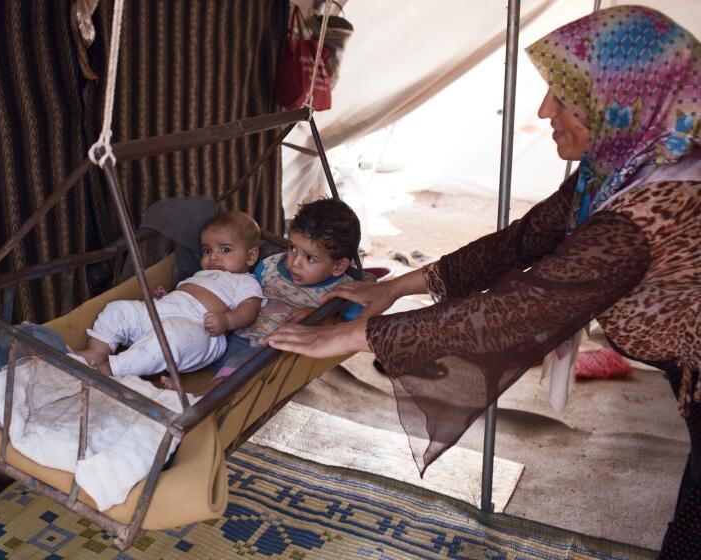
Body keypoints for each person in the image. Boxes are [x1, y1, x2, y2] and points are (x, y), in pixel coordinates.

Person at [266, 6, 700, 558]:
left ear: (621, 100)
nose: (544, 110)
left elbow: (527, 307)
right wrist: (400, 285)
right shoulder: (618, 171)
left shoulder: (655, 203)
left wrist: (360, 336)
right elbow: (521, 242)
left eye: (562, 96)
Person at [169, 197, 363, 396]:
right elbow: (239, 289)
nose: (294, 262)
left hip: (267, 351)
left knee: (242, 366)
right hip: (233, 332)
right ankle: (158, 369)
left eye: (310, 258)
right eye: (292, 248)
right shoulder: (269, 265)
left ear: (338, 266)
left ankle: (200, 398)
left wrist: (320, 317)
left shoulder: (344, 291)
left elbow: (351, 332)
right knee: (191, 337)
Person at [77, 210, 264, 378]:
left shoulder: (245, 281)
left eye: (225, 250)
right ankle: (96, 351)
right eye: (207, 250)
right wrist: (165, 297)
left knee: (171, 337)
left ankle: (114, 368)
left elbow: (250, 309)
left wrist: (227, 321)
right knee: (118, 309)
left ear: (250, 256)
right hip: (161, 312)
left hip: (199, 328)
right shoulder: (201, 274)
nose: (213, 256)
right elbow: (185, 297)